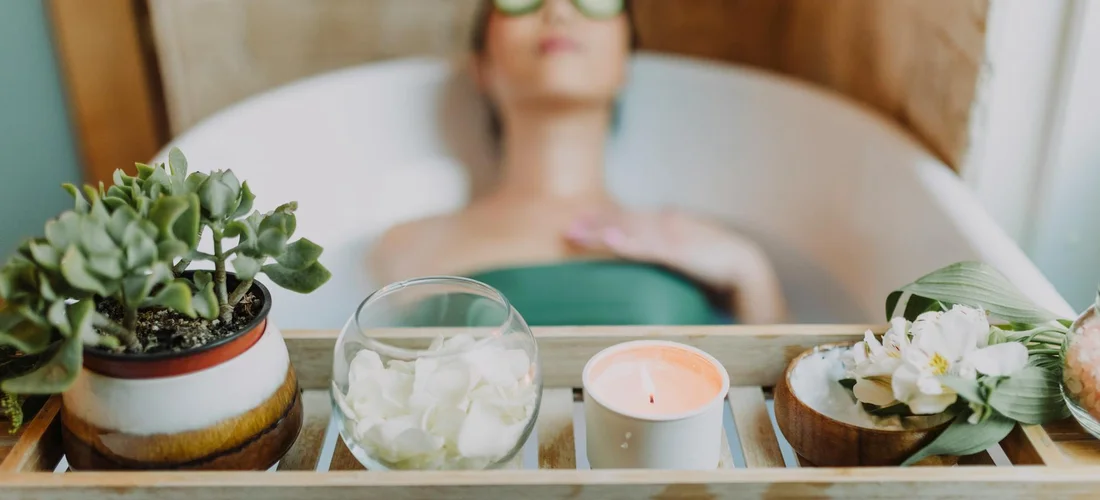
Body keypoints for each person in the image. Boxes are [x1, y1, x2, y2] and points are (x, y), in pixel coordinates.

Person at [371, 0, 787, 325]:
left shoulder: (704, 247)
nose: (559, 11)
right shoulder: (405, 246)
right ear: (481, 65)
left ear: (627, 60)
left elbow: (779, 411)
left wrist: (752, 275)